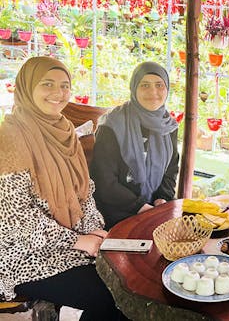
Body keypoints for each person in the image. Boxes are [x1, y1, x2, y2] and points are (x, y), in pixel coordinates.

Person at [0, 56, 123, 320]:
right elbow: (19, 219)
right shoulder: (10, 137)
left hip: (69, 242)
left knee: (123, 287)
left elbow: (84, 190)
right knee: (109, 299)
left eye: (65, 85)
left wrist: (92, 227)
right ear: (27, 87)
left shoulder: (65, 129)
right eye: (47, 84)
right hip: (26, 255)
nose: (59, 93)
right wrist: (79, 240)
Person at [91, 62, 179, 229]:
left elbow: (170, 171)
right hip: (116, 214)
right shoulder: (112, 125)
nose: (153, 92)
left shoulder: (168, 127)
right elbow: (104, 181)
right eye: (145, 85)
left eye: (159, 85)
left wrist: (162, 199)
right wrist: (140, 206)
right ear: (134, 88)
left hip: (153, 210)